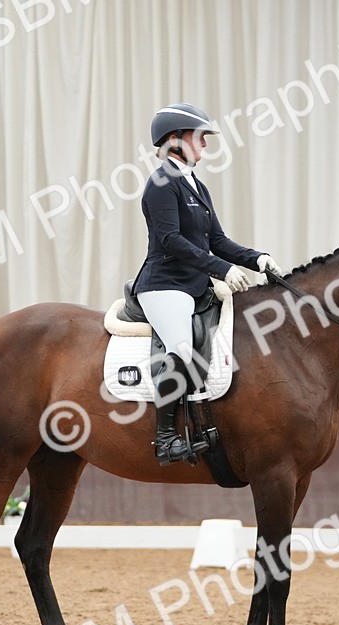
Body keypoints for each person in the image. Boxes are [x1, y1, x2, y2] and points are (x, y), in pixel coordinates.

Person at [134, 102, 284, 465]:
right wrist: (221, 270)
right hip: (165, 286)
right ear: (174, 140)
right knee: (182, 349)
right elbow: (170, 239)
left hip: (194, 284)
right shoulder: (161, 184)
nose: (205, 146)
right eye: (199, 138)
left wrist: (256, 258)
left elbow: (217, 240)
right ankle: (166, 438)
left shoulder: (195, 185)